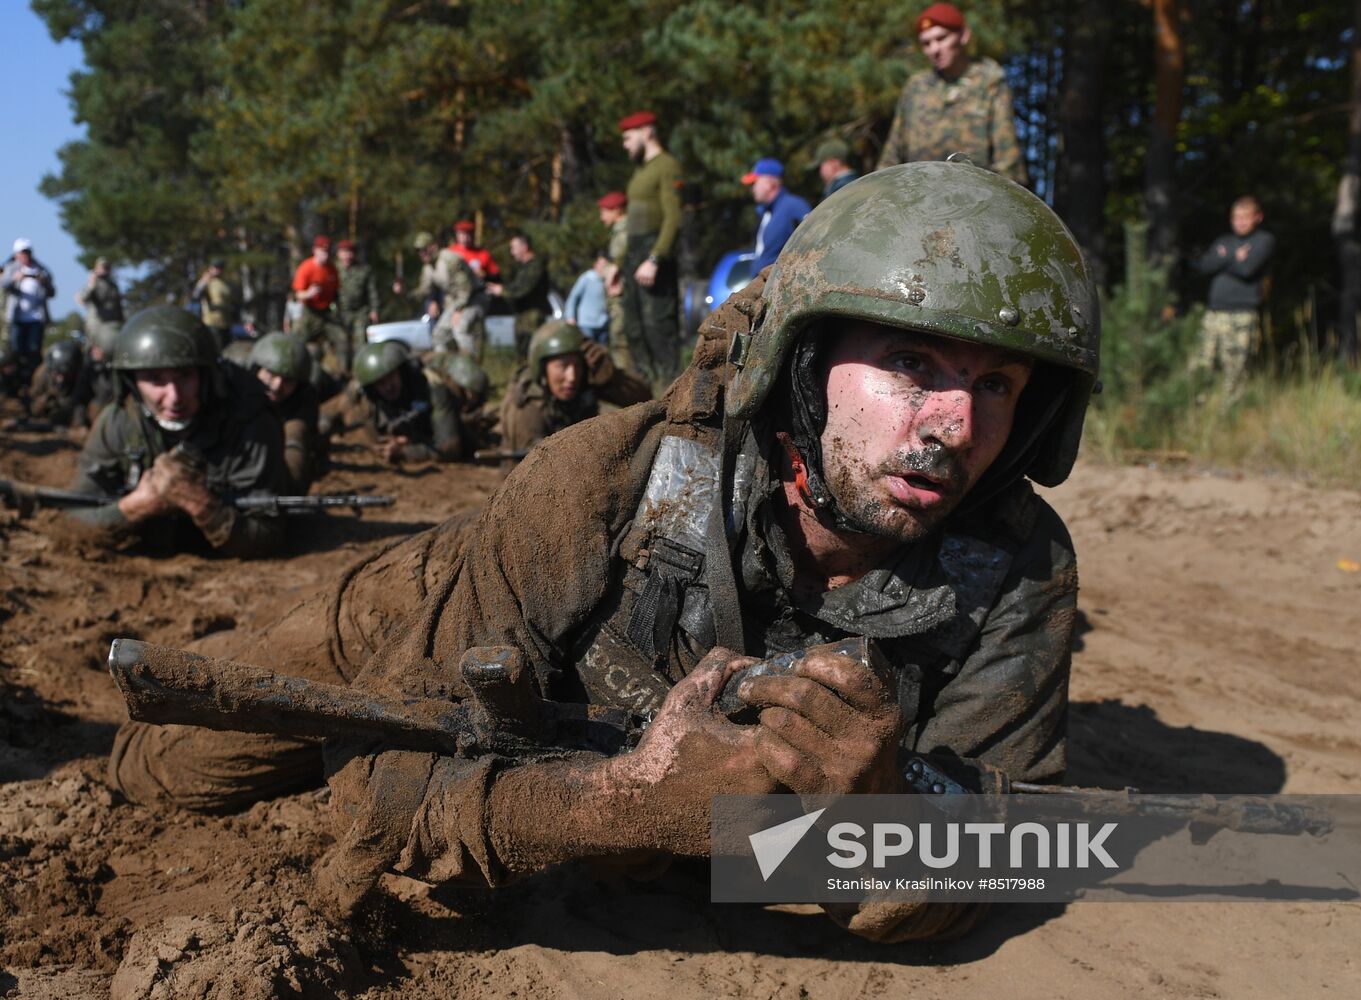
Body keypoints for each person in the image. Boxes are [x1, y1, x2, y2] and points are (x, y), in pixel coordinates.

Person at [103, 163, 1098, 947]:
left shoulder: (1015, 568)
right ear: (802, 360)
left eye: (997, 385)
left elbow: (1016, 849)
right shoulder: (602, 476)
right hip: (433, 599)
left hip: (559, 691)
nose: (955, 425)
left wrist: (874, 824)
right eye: (910, 364)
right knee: (165, 771)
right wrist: (624, 809)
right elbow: (381, 788)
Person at [68, 306, 287, 557]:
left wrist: (200, 504)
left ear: (206, 376)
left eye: (185, 375)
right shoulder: (118, 422)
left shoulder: (249, 421)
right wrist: (135, 506)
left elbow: (268, 535)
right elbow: (73, 523)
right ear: (132, 381)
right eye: (155, 379)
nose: (174, 397)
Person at [876, 3, 1027, 186]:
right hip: (918, 193)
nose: (934, 49)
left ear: (963, 35)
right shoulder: (916, 88)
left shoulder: (989, 82)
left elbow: (1007, 159)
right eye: (927, 43)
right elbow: (891, 157)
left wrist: (1006, 196)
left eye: (942, 38)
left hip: (974, 194)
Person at [499, 319, 652, 453]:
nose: (572, 377)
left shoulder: (583, 382)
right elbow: (533, 463)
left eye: (577, 365)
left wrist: (612, 377)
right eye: (562, 366)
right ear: (543, 368)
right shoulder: (527, 401)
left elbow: (644, 399)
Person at [616, 111, 683, 386]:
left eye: (628, 138)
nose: (625, 145)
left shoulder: (666, 165)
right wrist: (618, 266)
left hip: (653, 253)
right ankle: (644, 392)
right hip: (634, 255)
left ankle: (672, 391)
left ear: (647, 132)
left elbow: (673, 216)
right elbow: (631, 227)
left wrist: (655, 258)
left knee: (659, 327)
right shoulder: (640, 170)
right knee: (634, 327)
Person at [1189, 195, 1275, 401]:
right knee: (1199, 366)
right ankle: (1197, 407)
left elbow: (1247, 269)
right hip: (1214, 314)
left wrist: (1223, 258)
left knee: (1235, 370)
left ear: (1258, 217)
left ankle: (1231, 412)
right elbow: (1204, 266)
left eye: (1245, 217)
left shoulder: (1263, 240)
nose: (1240, 222)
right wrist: (1233, 257)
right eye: (1236, 217)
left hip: (1241, 315)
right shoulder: (1224, 241)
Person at [342, 340, 468, 464]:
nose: (388, 386)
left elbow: (449, 448)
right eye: (381, 383)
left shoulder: (433, 389)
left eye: (391, 376)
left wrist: (404, 451)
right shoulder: (370, 401)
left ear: (402, 372)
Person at [249, 332, 324, 493]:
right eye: (271, 374)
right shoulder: (238, 390)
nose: (277, 386)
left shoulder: (304, 401)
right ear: (256, 370)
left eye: (287, 380)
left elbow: (297, 438)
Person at [399, 231, 479, 356]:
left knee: (460, 329)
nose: (422, 254)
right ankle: (443, 365)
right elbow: (424, 291)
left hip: (474, 299)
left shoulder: (449, 259)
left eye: (424, 249)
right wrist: (405, 292)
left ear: (433, 247)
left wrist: (459, 310)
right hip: (457, 302)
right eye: (419, 251)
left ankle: (470, 365)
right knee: (438, 336)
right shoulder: (428, 268)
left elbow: (465, 287)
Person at [487, 233, 550, 362]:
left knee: (532, 356)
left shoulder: (535, 266)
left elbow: (522, 290)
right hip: (522, 319)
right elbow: (516, 286)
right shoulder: (523, 268)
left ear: (524, 247)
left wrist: (502, 291)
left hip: (532, 320)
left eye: (514, 248)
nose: (512, 252)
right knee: (523, 356)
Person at [743, 158, 812, 275]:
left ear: (769, 183)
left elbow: (813, 242)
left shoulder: (794, 206)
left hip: (781, 283)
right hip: (763, 282)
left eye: (755, 182)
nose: (752, 189)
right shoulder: (767, 212)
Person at [291, 236, 348, 377]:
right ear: (315, 251)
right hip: (310, 312)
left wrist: (337, 308)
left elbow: (336, 292)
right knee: (298, 342)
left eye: (327, 252)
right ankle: (293, 372)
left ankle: (344, 373)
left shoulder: (332, 269)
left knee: (342, 339)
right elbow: (297, 294)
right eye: (322, 251)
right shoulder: (306, 267)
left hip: (327, 312)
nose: (325, 255)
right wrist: (308, 293)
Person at [2, 238, 56, 386]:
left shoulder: (41, 269)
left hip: (36, 319)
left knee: (33, 351)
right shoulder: (11, 268)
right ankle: (16, 383)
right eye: (23, 252)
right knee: (16, 351)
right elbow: (3, 284)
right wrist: (14, 279)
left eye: (28, 252)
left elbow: (52, 291)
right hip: (17, 318)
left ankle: (33, 383)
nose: (26, 255)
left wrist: (44, 282)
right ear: (16, 254)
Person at [596, 191, 633, 371]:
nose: (601, 217)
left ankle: (627, 379)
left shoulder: (623, 231)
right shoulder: (618, 231)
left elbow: (621, 262)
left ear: (617, 210)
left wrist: (608, 269)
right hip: (619, 295)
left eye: (604, 211)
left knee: (620, 341)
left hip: (621, 295)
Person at [335, 240, 381, 373]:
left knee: (361, 341)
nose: (347, 256)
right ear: (338, 254)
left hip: (360, 311)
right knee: (342, 342)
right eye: (344, 252)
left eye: (350, 252)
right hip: (340, 312)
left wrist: (374, 310)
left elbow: (372, 292)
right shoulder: (333, 270)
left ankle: (361, 371)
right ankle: (343, 371)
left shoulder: (364, 270)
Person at [29, 340, 85, 428]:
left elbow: (80, 401)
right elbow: (33, 399)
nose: (61, 378)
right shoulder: (42, 374)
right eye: (58, 374)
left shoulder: (80, 376)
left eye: (65, 374)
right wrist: (47, 397)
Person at [73, 321, 119, 427]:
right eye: (93, 346)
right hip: (98, 418)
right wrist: (81, 424)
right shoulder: (90, 369)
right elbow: (80, 399)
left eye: (98, 347)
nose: (93, 350)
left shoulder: (122, 370)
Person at [563, 251, 612, 344]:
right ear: (595, 265)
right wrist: (570, 317)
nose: (604, 268)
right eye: (602, 265)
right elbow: (573, 297)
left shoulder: (609, 280)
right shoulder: (586, 278)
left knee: (602, 351)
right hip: (587, 325)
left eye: (606, 265)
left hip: (603, 324)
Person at [191, 260, 242, 349]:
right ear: (210, 268)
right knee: (214, 348)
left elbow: (234, 302)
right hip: (211, 322)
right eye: (215, 268)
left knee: (226, 348)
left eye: (220, 268)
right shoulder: (206, 281)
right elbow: (195, 297)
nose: (217, 270)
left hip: (226, 322)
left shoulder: (226, 284)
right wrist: (203, 281)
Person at [76, 257, 124, 348]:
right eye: (102, 267)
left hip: (111, 324)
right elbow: (81, 298)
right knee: (94, 350)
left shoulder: (113, 286)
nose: (104, 270)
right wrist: (91, 285)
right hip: (96, 324)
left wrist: (121, 321)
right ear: (96, 269)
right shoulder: (93, 283)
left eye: (106, 268)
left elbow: (118, 306)